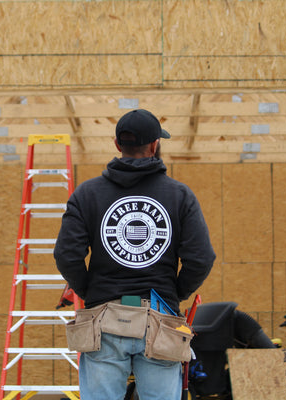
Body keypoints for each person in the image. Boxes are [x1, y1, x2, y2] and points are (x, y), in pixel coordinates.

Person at [53, 108, 216, 400]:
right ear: (155, 145)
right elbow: (201, 258)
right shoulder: (179, 196)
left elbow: (67, 255)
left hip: (103, 321)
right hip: (160, 322)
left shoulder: (86, 194)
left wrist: (93, 292)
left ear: (118, 145)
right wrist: (173, 294)